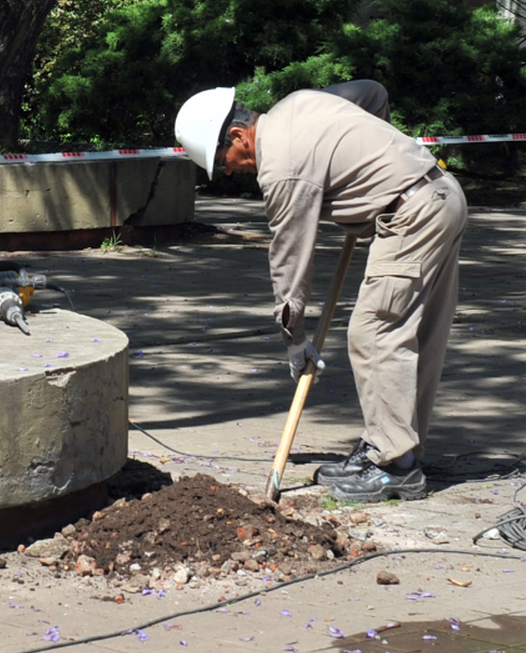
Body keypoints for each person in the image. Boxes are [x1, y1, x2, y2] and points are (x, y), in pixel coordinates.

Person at [174, 83, 467, 502]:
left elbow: (290, 261)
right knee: (415, 335)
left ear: (238, 137)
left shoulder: (280, 168)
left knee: (374, 332)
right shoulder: (299, 103)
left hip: (411, 215)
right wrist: (372, 157)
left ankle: (395, 466)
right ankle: (395, 448)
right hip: (441, 196)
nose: (227, 171)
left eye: (222, 160)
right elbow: (374, 93)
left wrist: (294, 340)